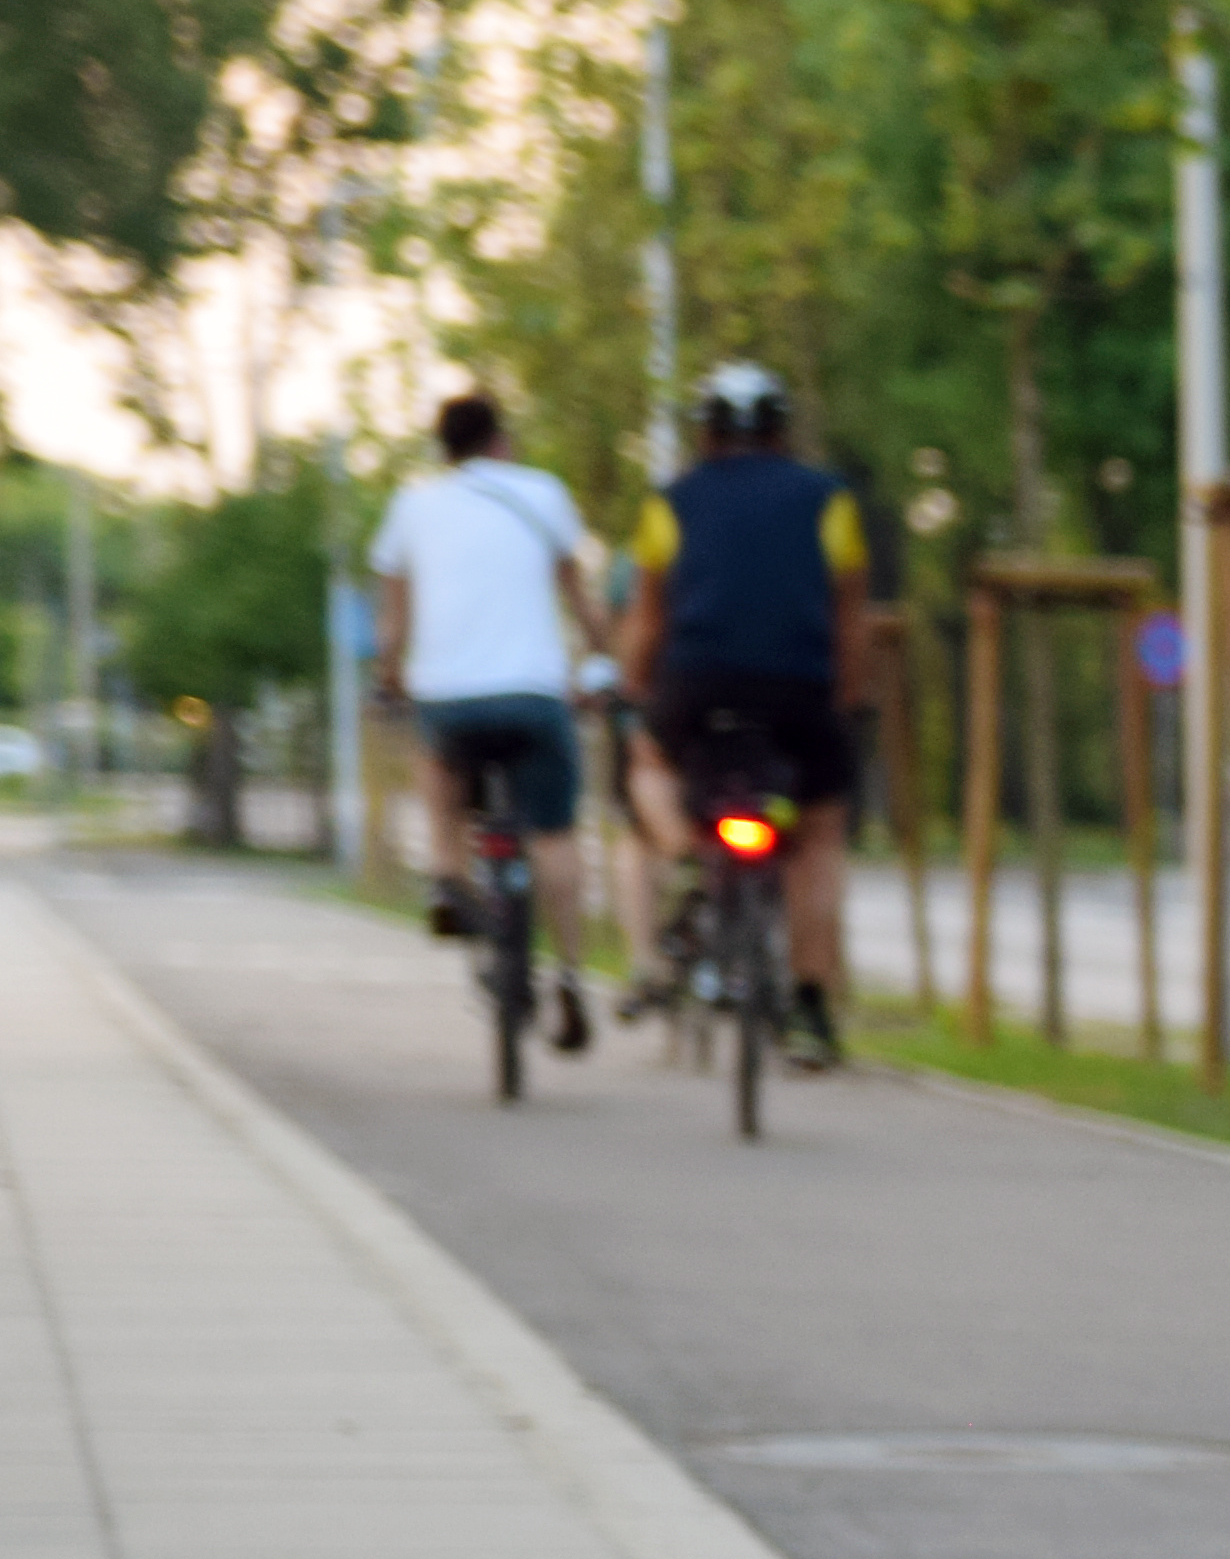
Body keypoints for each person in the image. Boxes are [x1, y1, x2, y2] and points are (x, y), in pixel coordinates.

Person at [624, 360, 873, 1069]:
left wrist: (636, 693)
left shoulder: (668, 503)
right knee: (817, 834)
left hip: (699, 686)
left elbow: (649, 620)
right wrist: (846, 701)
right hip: (799, 688)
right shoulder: (832, 501)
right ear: (781, 430)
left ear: (705, 432)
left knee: (647, 760)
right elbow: (849, 619)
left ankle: (686, 855)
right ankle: (811, 1012)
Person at [370, 390, 614, 1051]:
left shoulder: (412, 504)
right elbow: (581, 599)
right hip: (535, 695)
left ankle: (448, 877)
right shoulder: (543, 493)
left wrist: (389, 677)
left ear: (442, 450)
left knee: (440, 767)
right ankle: (567, 975)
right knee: (555, 835)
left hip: (450, 697)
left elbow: (394, 621)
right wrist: (605, 660)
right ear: (500, 441)